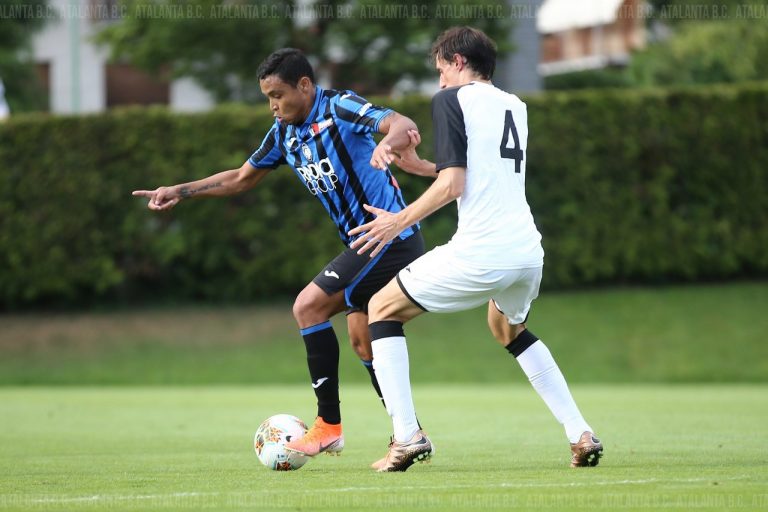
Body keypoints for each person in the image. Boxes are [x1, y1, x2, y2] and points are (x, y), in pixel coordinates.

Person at [133, 48, 426, 457]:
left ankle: (328, 426)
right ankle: (409, 435)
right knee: (362, 342)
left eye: (278, 94)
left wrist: (388, 143)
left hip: (390, 237)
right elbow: (240, 177)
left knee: (308, 306)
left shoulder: (338, 106)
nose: (273, 105)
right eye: (267, 97)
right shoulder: (284, 133)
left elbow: (400, 123)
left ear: (304, 86)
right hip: (365, 245)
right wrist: (179, 190)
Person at [348, 27, 603, 472]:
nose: (440, 81)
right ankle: (580, 432)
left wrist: (396, 221)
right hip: (527, 252)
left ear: (459, 61)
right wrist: (424, 167)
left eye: (441, 69)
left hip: (483, 251)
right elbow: (477, 173)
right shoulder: (515, 105)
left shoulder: (451, 100)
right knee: (507, 328)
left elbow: (455, 184)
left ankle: (407, 437)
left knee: (381, 307)